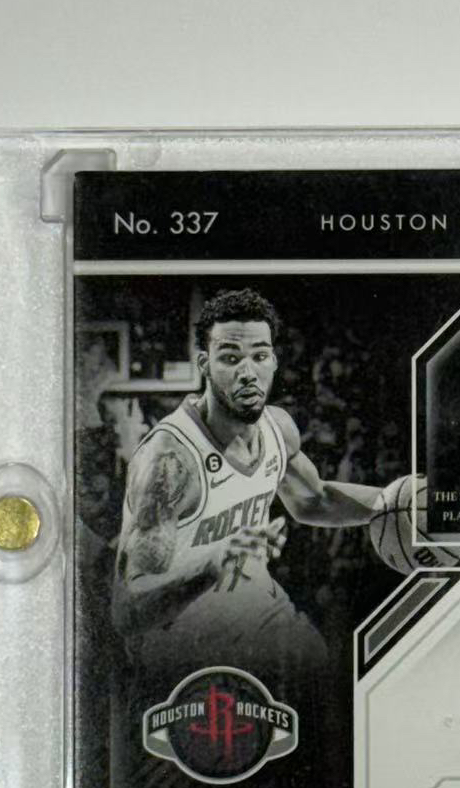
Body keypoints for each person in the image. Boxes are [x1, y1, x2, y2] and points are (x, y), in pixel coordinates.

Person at [112, 287, 382, 692]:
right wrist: (212, 565)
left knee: (331, 680)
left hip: (260, 617)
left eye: (259, 356)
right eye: (230, 358)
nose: (248, 372)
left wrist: (395, 502)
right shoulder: (170, 461)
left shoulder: (278, 428)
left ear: (274, 360)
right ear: (204, 364)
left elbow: (315, 499)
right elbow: (128, 611)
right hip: (184, 647)